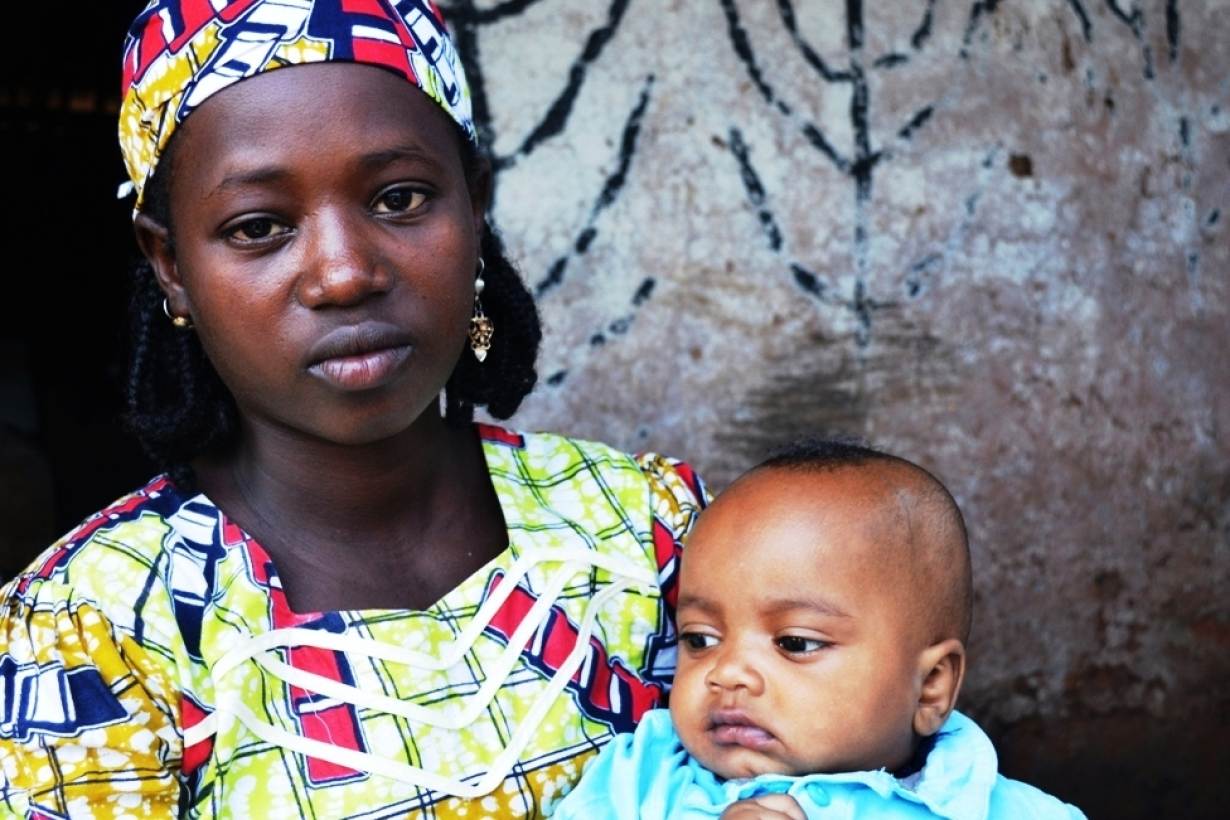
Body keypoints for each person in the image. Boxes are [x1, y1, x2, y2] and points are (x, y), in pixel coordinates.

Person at [0, 2, 705, 817]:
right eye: (259, 226)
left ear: (475, 205)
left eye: (400, 199)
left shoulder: (651, 537)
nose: (342, 273)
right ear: (171, 265)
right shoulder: (89, 633)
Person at [551, 440, 1086, 819]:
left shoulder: (999, 809)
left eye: (795, 643)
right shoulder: (640, 784)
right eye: (700, 639)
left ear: (930, 687)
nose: (727, 673)